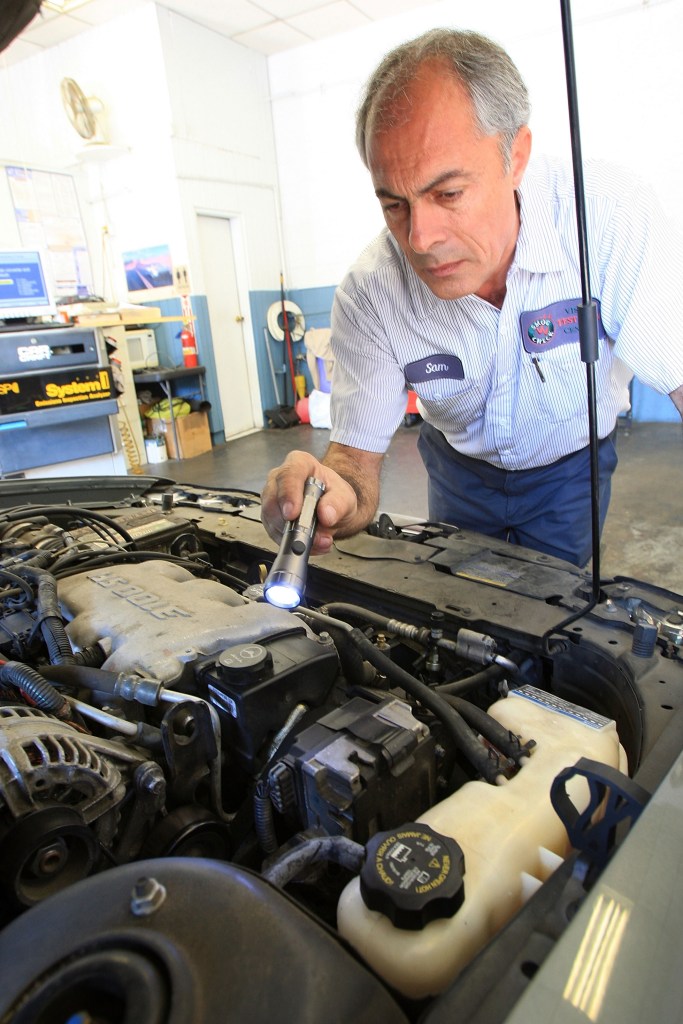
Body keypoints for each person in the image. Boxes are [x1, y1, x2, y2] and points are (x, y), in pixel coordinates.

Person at [261, 28, 683, 567]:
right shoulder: (372, 291)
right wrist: (328, 497)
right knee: (460, 617)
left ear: (517, 156)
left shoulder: (608, 220)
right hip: (459, 471)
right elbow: (353, 461)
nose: (420, 238)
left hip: (572, 470)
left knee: (558, 615)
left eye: (449, 194)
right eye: (395, 204)